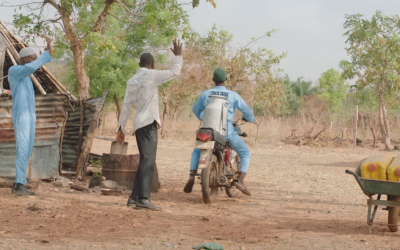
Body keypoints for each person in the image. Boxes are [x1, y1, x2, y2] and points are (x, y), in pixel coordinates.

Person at [116, 39, 183, 211]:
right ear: (151, 65)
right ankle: (143, 199)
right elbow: (175, 72)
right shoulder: (152, 75)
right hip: (149, 124)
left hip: (139, 124)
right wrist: (179, 56)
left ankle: (134, 198)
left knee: (145, 160)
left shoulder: (132, 81)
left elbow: (126, 105)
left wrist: (121, 128)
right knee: (148, 160)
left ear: (140, 64)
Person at [184, 67, 255, 196]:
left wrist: (204, 118)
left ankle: (191, 175)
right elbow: (247, 112)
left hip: (208, 131)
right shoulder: (232, 95)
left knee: (196, 151)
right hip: (226, 132)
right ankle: (241, 181)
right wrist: (250, 118)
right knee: (245, 153)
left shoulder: (206, 94)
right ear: (226, 79)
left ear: (213, 80)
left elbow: (195, 110)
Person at [9, 39, 54, 196]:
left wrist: (45, 52)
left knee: (27, 149)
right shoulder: (14, 70)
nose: (35, 61)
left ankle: (20, 182)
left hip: (29, 115)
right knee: (22, 148)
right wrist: (46, 53)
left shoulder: (27, 77)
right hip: (21, 115)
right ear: (26, 59)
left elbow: (32, 68)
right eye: (33, 58)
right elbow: (32, 67)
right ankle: (18, 184)